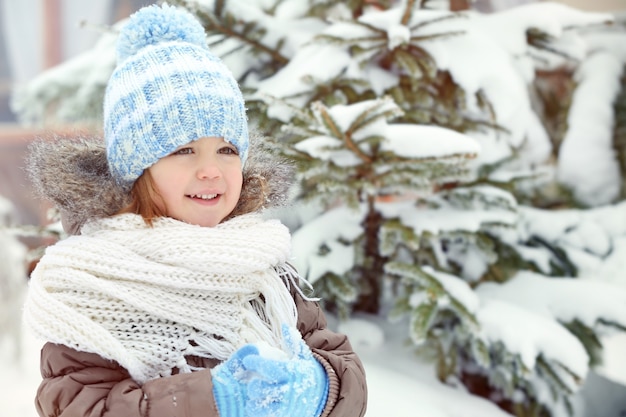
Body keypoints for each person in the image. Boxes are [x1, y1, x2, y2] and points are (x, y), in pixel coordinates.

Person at [23, 4, 367, 417]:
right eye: (183, 150)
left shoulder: (262, 269)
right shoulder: (99, 282)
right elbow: (78, 404)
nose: (210, 171)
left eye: (226, 150)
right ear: (137, 169)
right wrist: (213, 401)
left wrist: (322, 387)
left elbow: (338, 360)